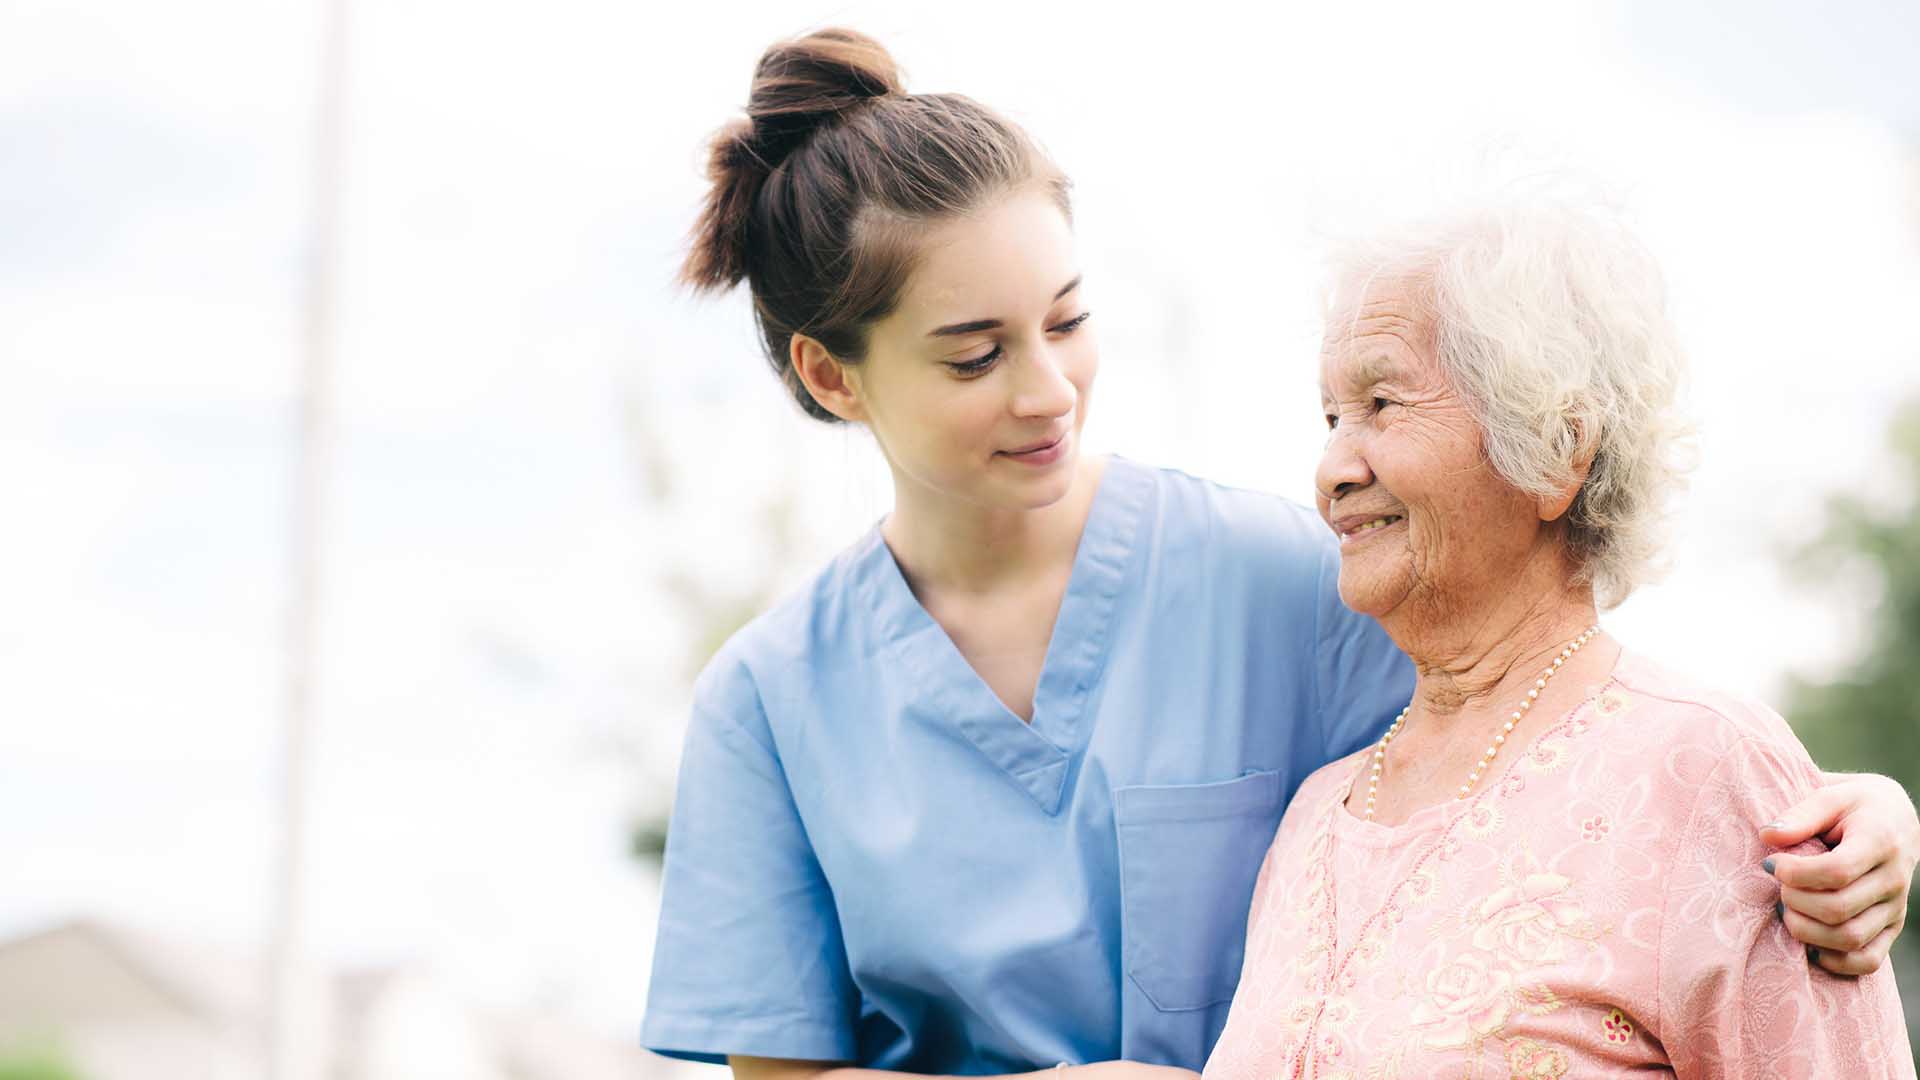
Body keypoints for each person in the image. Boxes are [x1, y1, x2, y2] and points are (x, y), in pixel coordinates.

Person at [643, 27, 1920, 1079]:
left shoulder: (1284, 585)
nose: (1049, 391)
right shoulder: (769, 709)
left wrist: (1857, 814)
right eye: (975, 355)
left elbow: (1582, 748)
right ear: (832, 375)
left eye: (1069, 321)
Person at [1203, 198, 1916, 1078]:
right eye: (1330, 418)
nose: (1332, 470)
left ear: (1556, 447)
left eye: (1382, 403)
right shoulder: (1319, 815)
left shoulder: (1711, 772)